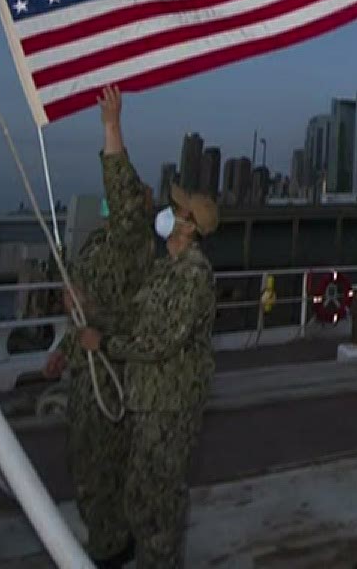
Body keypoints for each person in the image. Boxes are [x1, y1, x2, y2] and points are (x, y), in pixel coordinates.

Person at [79, 182, 219, 569]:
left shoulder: (194, 276)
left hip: (172, 405)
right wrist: (91, 310)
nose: (166, 211)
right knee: (139, 495)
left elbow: (161, 342)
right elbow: (134, 318)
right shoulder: (166, 270)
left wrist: (104, 344)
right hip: (149, 400)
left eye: (177, 209)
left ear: (188, 227)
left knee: (159, 501)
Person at [44, 85, 156, 569]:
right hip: (86, 370)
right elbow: (84, 308)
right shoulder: (96, 246)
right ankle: (102, 535)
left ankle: (112, 549)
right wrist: (66, 349)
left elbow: (121, 186)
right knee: (83, 460)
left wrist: (112, 127)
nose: (119, 204)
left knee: (107, 464)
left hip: (114, 368)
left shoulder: (133, 244)